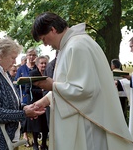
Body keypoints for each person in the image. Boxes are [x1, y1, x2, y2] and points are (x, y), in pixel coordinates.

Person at [31, 12, 133, 150]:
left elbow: (86, 90)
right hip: (81, 119)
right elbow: (70, 84)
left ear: (52, 30)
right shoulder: (69, 46)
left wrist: (52, 85)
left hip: (87, 125)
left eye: (44, 39)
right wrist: (45, 101)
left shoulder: (77, 46)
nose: (45, 44)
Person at [15, 48, 37, 147]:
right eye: (30, 55)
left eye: (33, 55)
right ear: (27, 56)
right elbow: (16, 82)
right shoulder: (21, 69)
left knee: (35, 116)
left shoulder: (37, 68)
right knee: (25, 117)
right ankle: (25, 136)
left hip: (35, 96)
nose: (31, 57)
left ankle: (35, 137)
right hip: (24, 95)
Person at [25, 56, 49, 150]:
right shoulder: (32, 74)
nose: (43, 65)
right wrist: (42, 91)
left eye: (45, 63)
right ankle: (35, 143)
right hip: (35, 101)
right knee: (36, 124)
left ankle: (44, 144)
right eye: (41, 63)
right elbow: (27, 89)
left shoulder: (49, 73)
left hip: (47, 102)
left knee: (45, 124)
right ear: (37, 64)